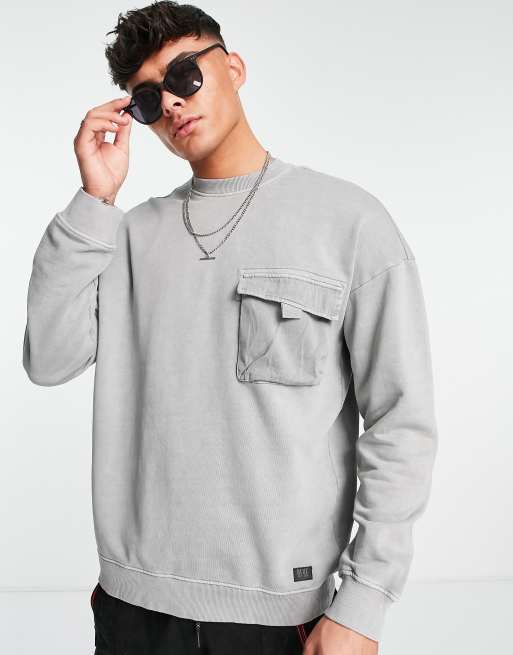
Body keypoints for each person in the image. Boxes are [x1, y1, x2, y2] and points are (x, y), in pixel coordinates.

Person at [22, 2, 438, 653]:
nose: (172, 102)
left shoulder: (348, 222)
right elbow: (47, 358)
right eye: (147, 99)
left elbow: (400, 420)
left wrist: (364, 602)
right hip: (134, 609)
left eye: (185, 75)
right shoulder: (126, 235)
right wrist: (95, 199)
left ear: (234, 68)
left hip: (281, 615)